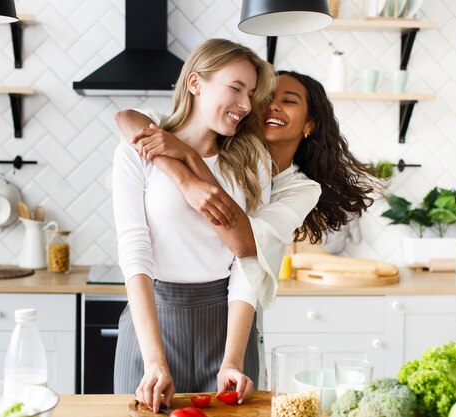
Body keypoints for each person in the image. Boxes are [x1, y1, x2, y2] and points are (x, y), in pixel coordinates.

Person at [116, 70, 375, 388]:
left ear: (310, 125)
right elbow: (128, 118)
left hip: (235, 319)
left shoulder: (300, 188)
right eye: (264, 100)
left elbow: (243, 243)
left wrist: (188, 160)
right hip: (162, 313)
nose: (272, 107)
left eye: (288, 101)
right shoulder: (217, 147)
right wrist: (183, 174)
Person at [111, 38, 277, 413]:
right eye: (235, 88)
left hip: (228, 330)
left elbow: (248, 263)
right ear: (195, 83)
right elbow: (135, 252)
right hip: (150, 330)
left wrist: (232, 360)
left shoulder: (253, 163)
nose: (246, 105)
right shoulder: (136, 152)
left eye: (250, 94)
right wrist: (154, 360)